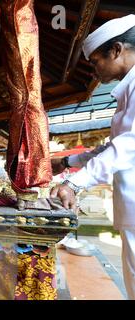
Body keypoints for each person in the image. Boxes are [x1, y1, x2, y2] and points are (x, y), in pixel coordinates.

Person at [50, 14, 135, 300]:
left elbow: (129, 146)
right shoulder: (127, 92)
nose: (95, 70)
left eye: (96, 61)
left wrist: (74, 184)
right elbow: (112, 146)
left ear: (116, 50)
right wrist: (66, 163)